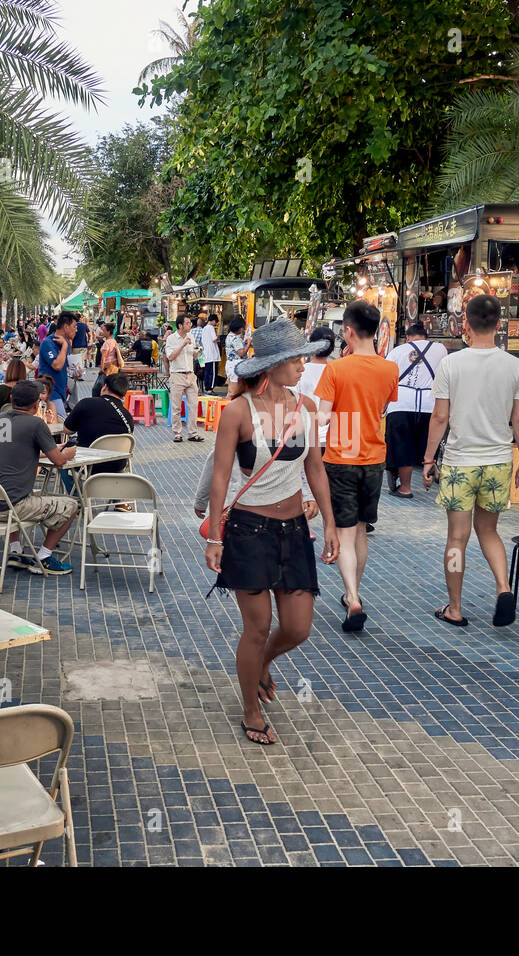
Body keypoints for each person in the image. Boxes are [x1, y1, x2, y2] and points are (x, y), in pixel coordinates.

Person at [205, 321, 338, 746]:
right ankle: (250, 708)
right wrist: (214, 538)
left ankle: (260, 664)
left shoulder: (308, 406)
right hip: (248, 530)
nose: (304, 364)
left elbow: (315, 467)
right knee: (258, 626)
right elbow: (220, 477)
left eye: (304, 356)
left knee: (298, 627)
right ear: (272, 364)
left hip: (294, 528)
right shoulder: (238, 412)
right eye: (296, 358)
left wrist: (331, 523)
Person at [422, 294, 519, 628]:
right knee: (490, 531)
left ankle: (454, 608)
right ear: (499, 325)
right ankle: (503, 588)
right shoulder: (514, 365)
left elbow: (440, 417)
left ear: (466, 325)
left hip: (460, 463)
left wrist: (428, 458)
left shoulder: (451, 365)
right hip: (498, 461)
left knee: (457, 538)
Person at [313, 302, 399, 632]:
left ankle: (352, 597)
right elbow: (381, 407)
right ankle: (355, 591)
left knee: (345, 535)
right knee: (361, 529)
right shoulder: (389, 368)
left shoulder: (337, 369)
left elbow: (322, 416)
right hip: (374, 456)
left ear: (348, 331)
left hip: (341, 456)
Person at [0, 380, 78, 575]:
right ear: (36, 405)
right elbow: (58, 461)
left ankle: (15, 551)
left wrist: (47, 451)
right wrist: (68, 453)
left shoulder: (1, 419)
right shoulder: (35, 423)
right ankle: (44, 556)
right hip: (12, 508)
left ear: (11, 399)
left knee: (14, 490)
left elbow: (18, 448)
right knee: (72, 505)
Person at [384, 321, 447, 499]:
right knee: (430, 441)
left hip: (401, 404)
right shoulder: (440, 349)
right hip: (430, 404)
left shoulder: (397, 351)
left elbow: (387, 379)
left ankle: (405, 488)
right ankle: (431, 475)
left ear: (408, 338)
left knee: (403, 446)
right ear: (426, 337)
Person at [64, 371, 133, 474]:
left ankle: (76, 490)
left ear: (104, 387)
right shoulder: (127, 416)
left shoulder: (86, 403)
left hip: (88, 465)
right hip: (117, 466)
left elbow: (67, 430)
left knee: (61, 454)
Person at [166, 314, 203, 443]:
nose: (190, 325)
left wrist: (198, 350)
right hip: (177, 375)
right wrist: (182, 344)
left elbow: (194, 354)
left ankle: (193, 433)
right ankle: (177, 433)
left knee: (193, 405)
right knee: (176, 407)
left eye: (190, 323)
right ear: (180, 325)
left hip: (190, 374)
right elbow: (170, 357)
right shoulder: (171, 339)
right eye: (187, 323)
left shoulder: (191, 336)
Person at [37, 312, 75, 417]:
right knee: (60, 425)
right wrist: (64, 346)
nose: (76, 329)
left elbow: (64, 366)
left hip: (61, 390)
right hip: (50, 392)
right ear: (66, 327)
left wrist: (74, 372)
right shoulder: (47, 343)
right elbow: (57, 365)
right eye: (74, 326)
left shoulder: (65, 342)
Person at [91, 322, 123, 398]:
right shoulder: (113, 341)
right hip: (114, 367)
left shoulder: (107, 343)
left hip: (107, 367)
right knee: (110, 385)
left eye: (104, 330)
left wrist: (101, 369)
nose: (103, 332)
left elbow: (103, 358)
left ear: (108, 332)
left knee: (100, 387)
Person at [224, 316, 249, 389]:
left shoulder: (229, 336)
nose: (242, 330)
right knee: (234, 390)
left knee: (231, 389)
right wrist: (248, 344)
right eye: (242, 328)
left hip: (230, 364)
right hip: (236, 365)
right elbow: (241, 353)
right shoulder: (235, 338)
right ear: (239, 327)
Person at [199, 315, 221, 394]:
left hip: (206, 354)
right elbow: (214, 338)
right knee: (213, 372)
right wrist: (219, 338)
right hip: (213, 354)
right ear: (213, 320)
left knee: (207, 372)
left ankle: (207, 387)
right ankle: (210, 388)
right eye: (216, 322)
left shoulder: (204, 328)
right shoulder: (211, 327)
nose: (215, 323)